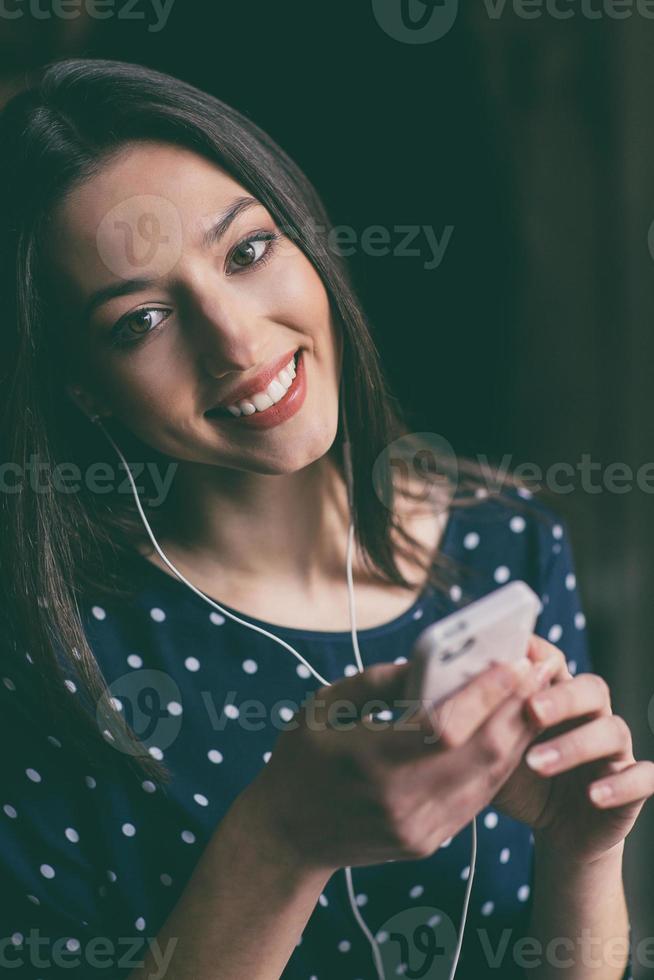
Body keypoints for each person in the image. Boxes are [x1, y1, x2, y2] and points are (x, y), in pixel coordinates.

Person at [0, 58, 650, 980]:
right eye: (141, 321)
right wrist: (279, 843)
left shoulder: (510, 541)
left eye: (248, 251)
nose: (235, 339)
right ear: (83, 389)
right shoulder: (45, 659)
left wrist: (583, 855)